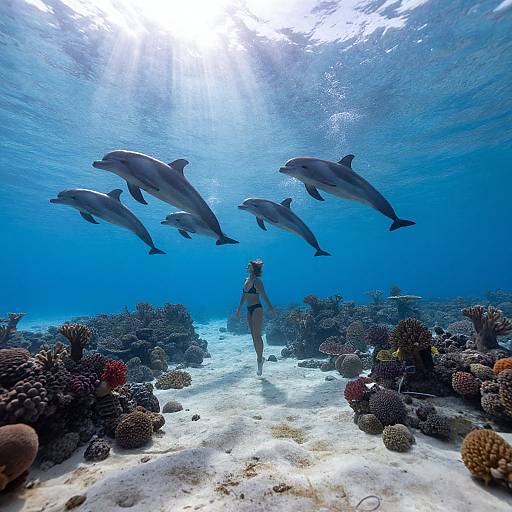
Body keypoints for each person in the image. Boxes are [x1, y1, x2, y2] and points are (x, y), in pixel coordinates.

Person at [236, 259, 276, 375]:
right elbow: (244, 295)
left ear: (253, 268)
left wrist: (272, 309)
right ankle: (260, 358)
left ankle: (259, 360)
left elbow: (264, 296)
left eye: (248, 265)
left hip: (257, 308)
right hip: (248, 309)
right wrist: (239, 308)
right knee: (253, 336)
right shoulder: (245, 280)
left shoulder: (258, 282)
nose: (246, 267)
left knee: (257, 335)